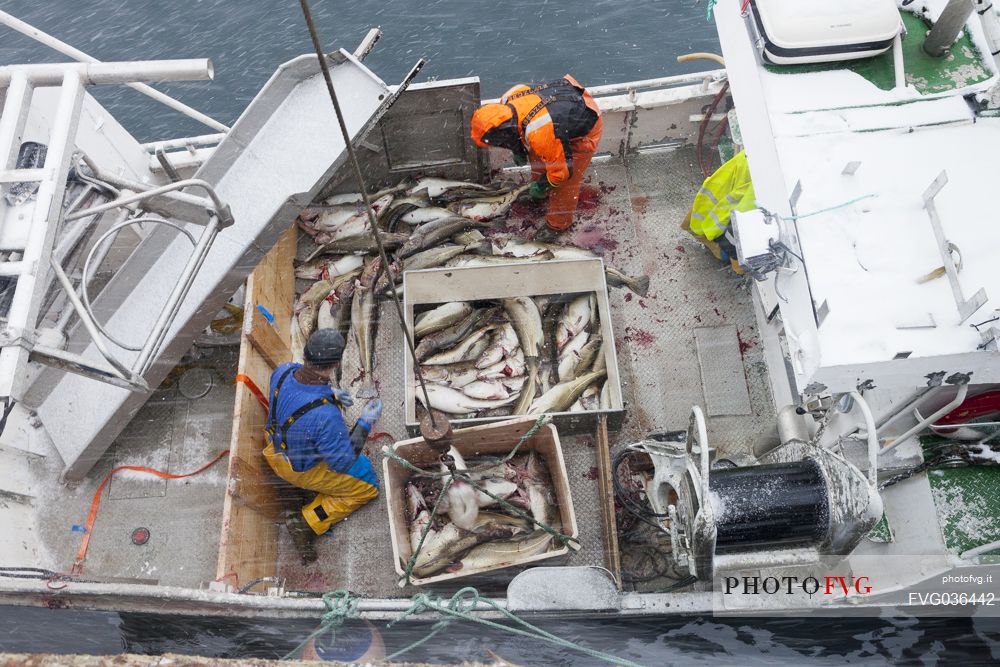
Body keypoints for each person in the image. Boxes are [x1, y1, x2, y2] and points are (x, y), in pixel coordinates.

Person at [263, 328, 383, 563]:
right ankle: (307, 521)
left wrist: (331, 393)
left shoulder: (283, 370)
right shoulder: (325, 417)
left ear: (306, 355)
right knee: (367, 486)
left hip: (273, 446)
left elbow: (298, 394)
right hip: (299, 469)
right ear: (336, 364)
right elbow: (342, 462)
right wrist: (364, 423)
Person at [470, 74, 603, 241]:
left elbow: (562, 172)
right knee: (540, 160)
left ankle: (558, 225)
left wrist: (541, 186)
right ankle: (542, 194)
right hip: (558, 114)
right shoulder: (508, 99)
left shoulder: (540, 132)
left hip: (583, 127)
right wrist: (517, 149)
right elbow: (516, 126)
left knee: (565, 184)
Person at [682, 150, 755, 275]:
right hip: (714, 227)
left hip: (702, 210)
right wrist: (738, 264)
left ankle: (696, 231)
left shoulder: (748, 154)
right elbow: (737, 230)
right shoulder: (757, 187)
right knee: (730, 257)